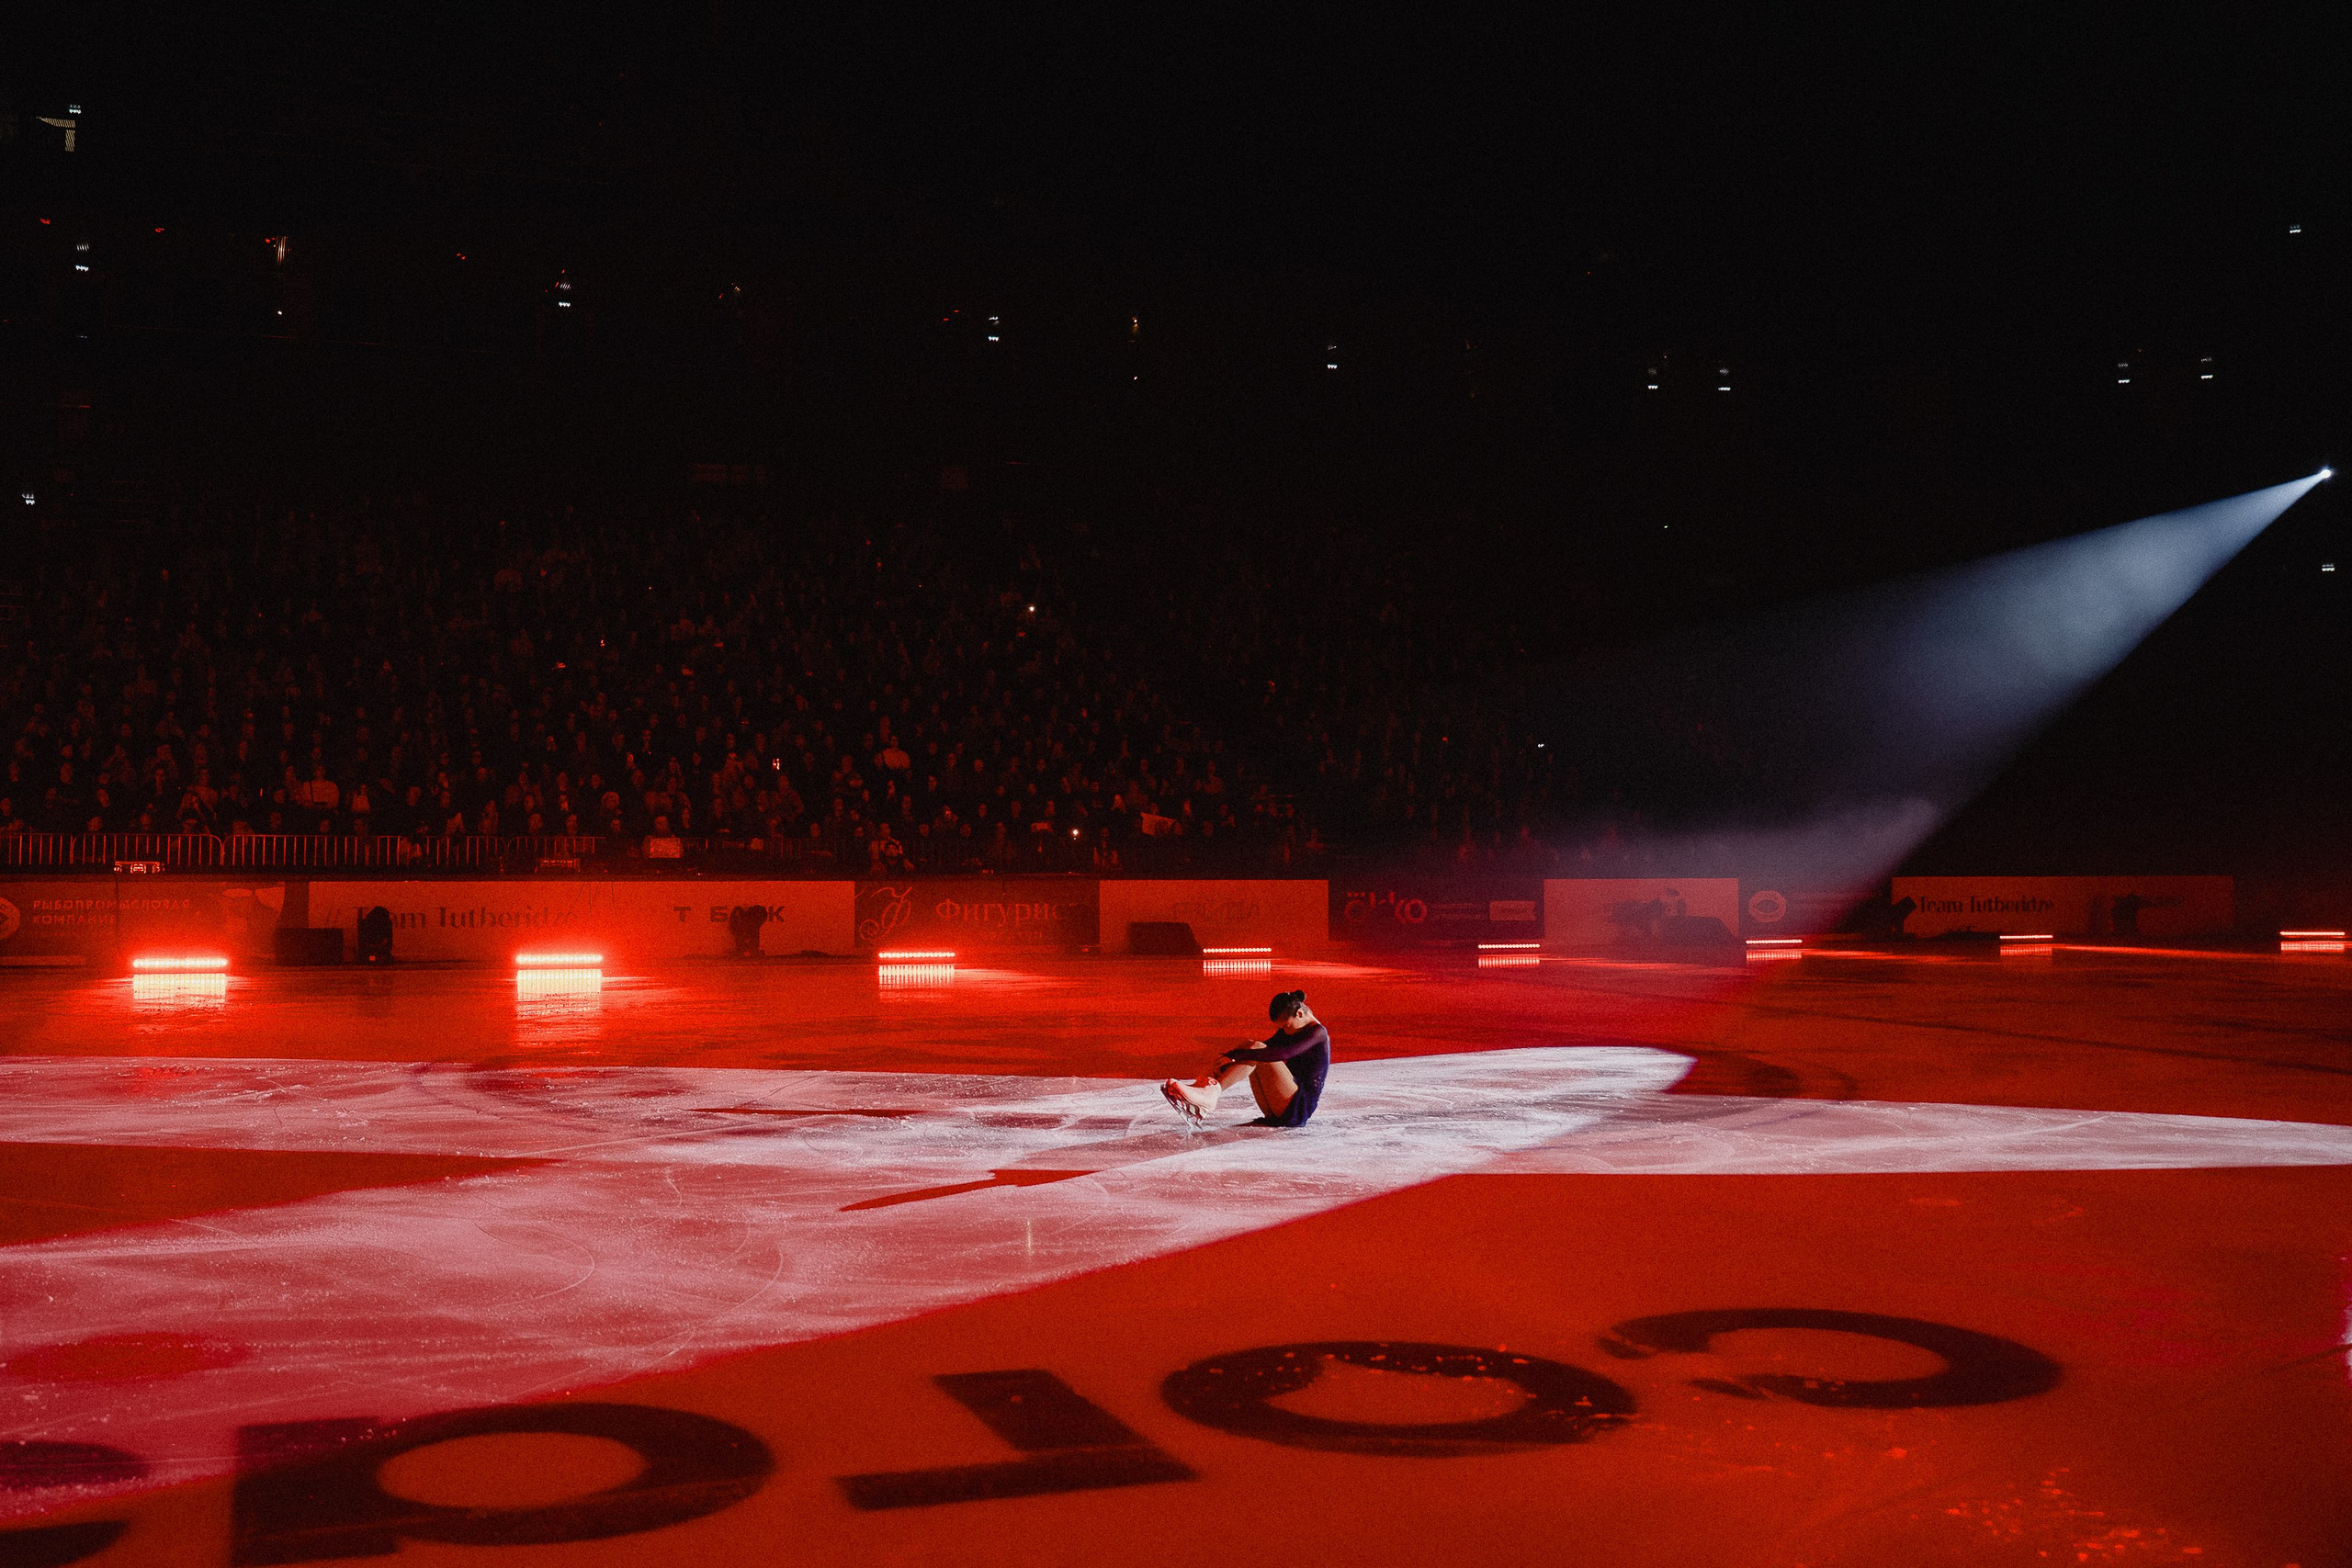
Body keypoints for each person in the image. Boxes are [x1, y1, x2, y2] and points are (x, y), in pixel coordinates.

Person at [1162, 989, 1329, 1127]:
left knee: (1255, 1049)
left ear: (1299, 1014)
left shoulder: (1318, 1033)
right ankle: (1204, 1088)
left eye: (1286, 1026)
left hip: (1298, 1108)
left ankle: (1211, 1095)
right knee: (1249, 1045)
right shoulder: (1294, 1028)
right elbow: (1263, 1047)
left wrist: (1238, 1056)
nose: (1284, 1031)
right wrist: (1230, 1056)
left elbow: (1283, 1054)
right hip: (1277, 1107)